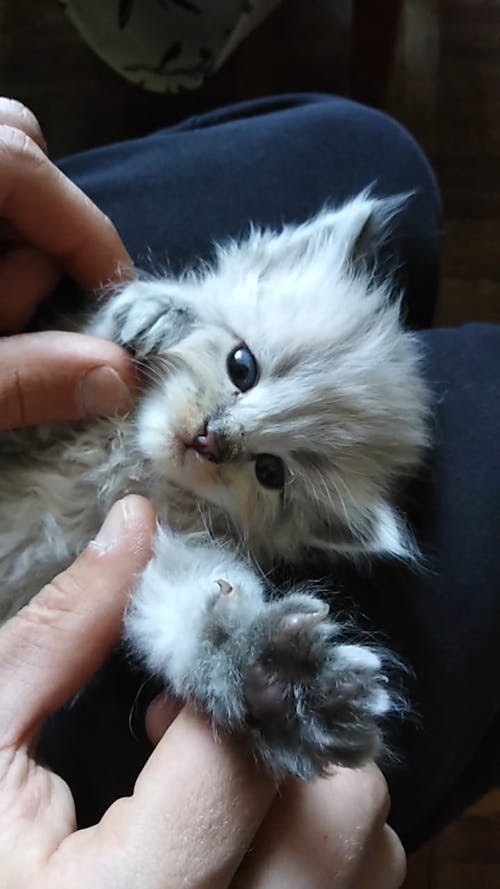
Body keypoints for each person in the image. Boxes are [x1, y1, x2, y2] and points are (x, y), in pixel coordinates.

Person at [0, 90, 498, 878]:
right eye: (243, 367)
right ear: (267, 261)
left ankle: (259, 670)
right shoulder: (161, 328)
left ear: (309, 533)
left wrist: (234, 648)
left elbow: (179, 581)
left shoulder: (203, 522)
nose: (219, 436)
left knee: (366, 148)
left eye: (268, 473)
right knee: (372, 152)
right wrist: (123, 325)